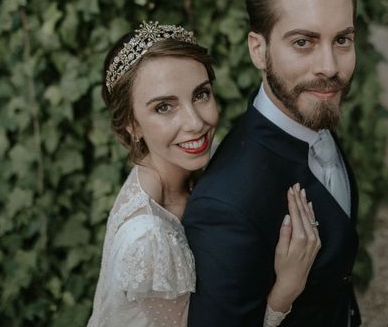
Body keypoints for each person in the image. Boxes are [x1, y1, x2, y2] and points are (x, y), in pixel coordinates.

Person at [86, 21, 321, 327]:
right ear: (131, 125)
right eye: (164, 107)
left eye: (200, 95)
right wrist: (285, 291)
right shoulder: (149, 240)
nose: (195, 122)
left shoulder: (183, 171)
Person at [183, 0, 362, 326]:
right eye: (303, 42)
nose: (329, 67)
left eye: (342, 39)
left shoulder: (311, 109)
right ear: (258, 50)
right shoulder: (225, 206)